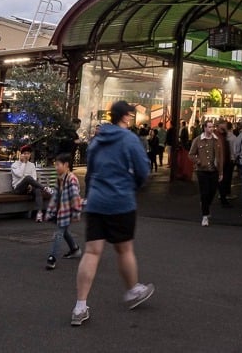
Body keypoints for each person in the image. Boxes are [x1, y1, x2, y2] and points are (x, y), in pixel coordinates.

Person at [71, 100, 154, 326]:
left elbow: (92, 167)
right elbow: (143, 170)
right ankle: (133, 290)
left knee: (92, 252)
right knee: (124, 249)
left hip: (97, 200)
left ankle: (80, 306)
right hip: (121, 201)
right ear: (126, 116)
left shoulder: (98, 140)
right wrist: (131, 186)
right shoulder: (130, 139)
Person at [44, 152, 82, 270]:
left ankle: (52, 258)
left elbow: (75, 197)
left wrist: (76, 212)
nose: (56, 167)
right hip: (60, 211)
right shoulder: (60, 179)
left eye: (58, 165)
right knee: (63, 231)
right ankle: (74, 249)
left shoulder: (72, 179)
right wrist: (50, 211)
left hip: (66, 211)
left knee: (59, 233)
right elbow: (55, 196)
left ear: (66, 165)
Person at [188, 119, 221, 226]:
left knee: (212, 191)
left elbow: (220, 157)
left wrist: (221, 172)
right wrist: (199, 161)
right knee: (204, 192)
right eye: (210, 127)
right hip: (202, 171)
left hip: (214, 170)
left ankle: (205, 205)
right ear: (205, 128)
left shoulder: (216, 140)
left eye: (212, 127)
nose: (212, 129)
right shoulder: (198, 140)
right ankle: (205, 216)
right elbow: (191, 154)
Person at [10, 145, 53, 223]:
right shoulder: (14, 165)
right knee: (28, 178)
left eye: (28, 154)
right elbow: (19, 175)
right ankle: (45, 188)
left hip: (29, 188)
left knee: (37, 190)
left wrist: (30, 185)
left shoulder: (32, 165)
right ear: (21, 154)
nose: (26, 155)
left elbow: (34, 177)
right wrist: (23, 163)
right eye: (25, 153)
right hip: (18, 189)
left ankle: (39, 213)